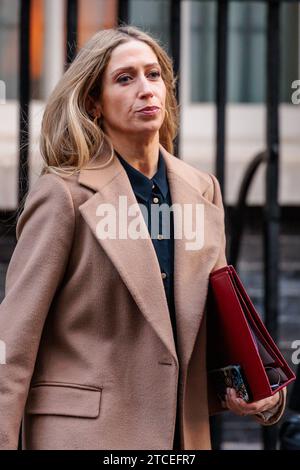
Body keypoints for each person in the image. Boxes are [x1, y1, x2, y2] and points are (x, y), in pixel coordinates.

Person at [0, 25, 286, 450]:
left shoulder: (201, 188)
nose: (146, 89)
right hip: (85, 437)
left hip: (181, 440)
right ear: (93, 104)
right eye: (125, 78)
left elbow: (207, 325)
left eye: (154, 75)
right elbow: (14, 343)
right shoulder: (63, 195)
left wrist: (253, 387)